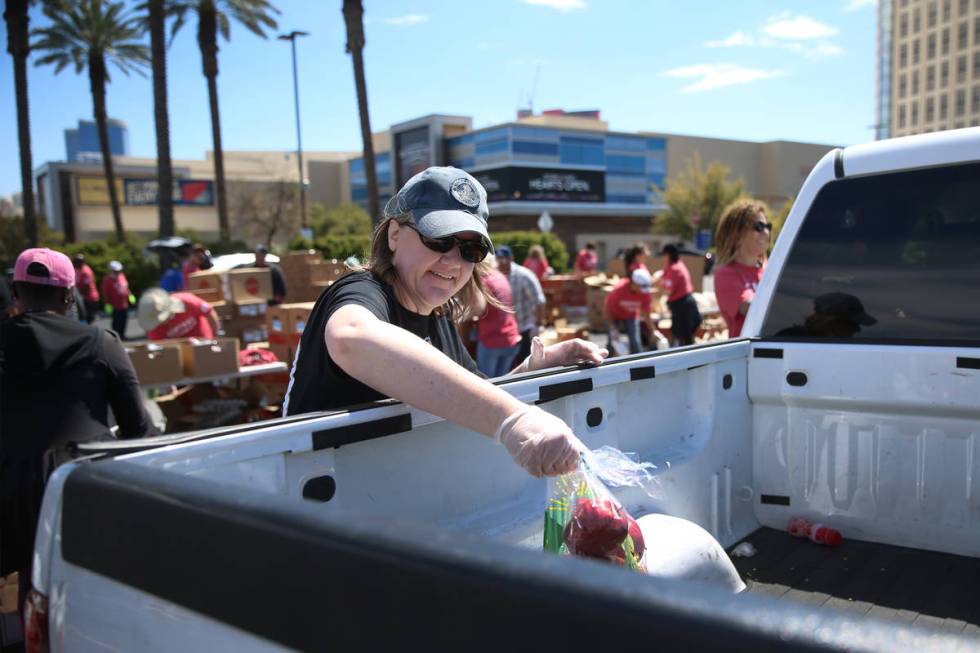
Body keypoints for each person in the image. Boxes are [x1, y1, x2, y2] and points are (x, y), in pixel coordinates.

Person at [283, 166, 607, 478]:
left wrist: (534, 370)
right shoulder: (361, 291)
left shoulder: (437, 321)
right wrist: (514, 420)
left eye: (471, 249)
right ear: (394, 234)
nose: (453, 260)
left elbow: (469, 397)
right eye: (438, 240)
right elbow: (350, 338)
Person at [1, 248, 155, 617]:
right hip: (80, 488)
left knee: (28, 585)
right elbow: (139, 427)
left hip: (8, 498)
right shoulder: (101, 342)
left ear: (16, 293)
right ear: (70, 295)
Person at [713, 200, 770, 338]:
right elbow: (752, 309)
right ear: (736, 234)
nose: (766, 232)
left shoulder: (769, 270)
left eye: (768, 226)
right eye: (759, 226)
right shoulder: (726, 274)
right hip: (749, 356)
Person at [495, 245, 545, 367]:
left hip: (524, 327)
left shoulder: (524, 275)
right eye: (498, 259)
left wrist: (538, 324)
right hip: (505, 330)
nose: (501, 262)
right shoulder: (495, 275)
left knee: (525, 364)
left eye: (504, 258)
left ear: (511, 258)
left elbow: (539, 301)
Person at [473, 262, 522, 377]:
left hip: (492, 340)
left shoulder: (483, 280)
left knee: (486, 384)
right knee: (502, 383)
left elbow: (477, 309)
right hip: (511, 337)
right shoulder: (500, 276)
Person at [603, 268, 656, 355]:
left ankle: (639, 362)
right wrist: (612, 328)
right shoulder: (618, 290)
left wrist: (653, 330)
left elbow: (646, 313)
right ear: (634, 283)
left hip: (631, 315)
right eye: (641, 287)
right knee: (612, 341)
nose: (643, 291)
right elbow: (607, 310)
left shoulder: (645, 294)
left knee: (635, 341)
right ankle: (607, 361)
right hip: (614, 315)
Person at [657, 244, 702, 347]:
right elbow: (663, 277)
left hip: (681, 305)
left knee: (684, 336)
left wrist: (660, 289)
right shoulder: (676, 265)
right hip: (684, 302)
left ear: (668, 255)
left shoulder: (674, 269)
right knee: (683, 334)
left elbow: (668, 290)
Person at [138, 288, 221, 340]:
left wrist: (215, 338)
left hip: (206, 343)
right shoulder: (154, 329)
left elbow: (210, 313)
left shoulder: (186, 301)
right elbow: (162, 348)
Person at [100, 260, 131, 339]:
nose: (118, 272)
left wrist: (130, 296)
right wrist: (107, 304)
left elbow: (126, 287)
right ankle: (116, 336)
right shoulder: (107, 280)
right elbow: (105, 293)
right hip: (114, 305)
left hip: (124, 304)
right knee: (116, 322)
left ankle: (122, 335)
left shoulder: (122, 276)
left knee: (124, 320)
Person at [72, 253, 100, 323]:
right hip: (82, 297)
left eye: (76, 262)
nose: (74, 263)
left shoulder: (86, 272)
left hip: (89, 298)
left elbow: (87, 287)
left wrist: (78, 295)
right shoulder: (78, 269)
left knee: (88, 318)